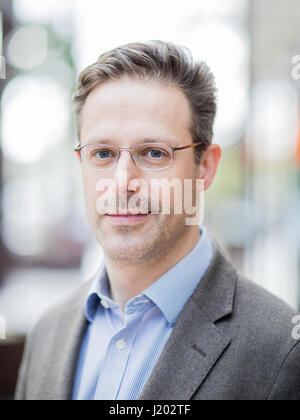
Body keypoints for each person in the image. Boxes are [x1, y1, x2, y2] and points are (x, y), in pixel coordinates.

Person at [15, 40, 300, 400]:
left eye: (153, 153)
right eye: (102, 153)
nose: (122, 183)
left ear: (206, 167)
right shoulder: (48, 332)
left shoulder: (280, 352)